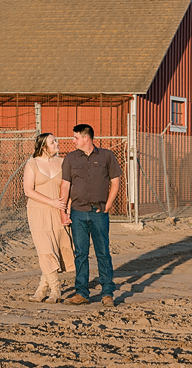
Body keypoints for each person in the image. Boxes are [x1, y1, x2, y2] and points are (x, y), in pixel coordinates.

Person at [59, 124, 122, 307]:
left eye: (76, 137)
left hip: (98, 213)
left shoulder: (107, 156)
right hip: (78, 213)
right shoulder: (70, 158)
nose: (73, 141)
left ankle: (107, 292)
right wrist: (62, 211)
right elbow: (65, 186)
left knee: (103, 253)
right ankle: (81, 293)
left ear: (86, 138)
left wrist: (107, 206)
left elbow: (115, 182)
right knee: (80, 254)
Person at [23, 132, 75, 303]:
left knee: (56, 249)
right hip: (39, 211)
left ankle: (41, 290)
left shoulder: (63, 162)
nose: (57, 144)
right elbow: (28, 191)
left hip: (58, 211)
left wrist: (66, 209)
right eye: (53, 142)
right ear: (43, 147)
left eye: (56, 141)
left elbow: (69, 187)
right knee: (45, 250)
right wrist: (51, 201)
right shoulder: (32, 164)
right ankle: (55, 291)